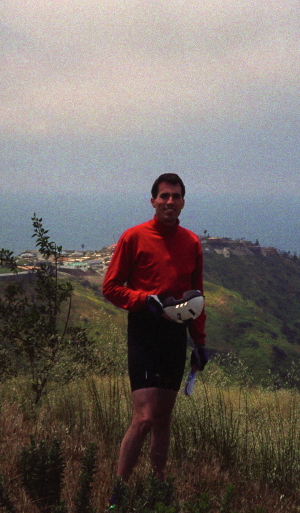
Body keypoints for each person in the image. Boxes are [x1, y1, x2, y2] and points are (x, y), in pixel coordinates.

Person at [102, 173, 208, 493]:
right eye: (164, 196)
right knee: (145, 418)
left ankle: (157, 488)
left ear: (183, 203)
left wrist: (200, 343)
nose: (170, 202)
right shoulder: (133, 237)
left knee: (163, 419)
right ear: (153, 201)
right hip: (144, 331)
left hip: (175, 334)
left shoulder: (191, 243)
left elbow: (197, 295)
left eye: (176, 197)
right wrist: (142, 300)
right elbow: (110, 287)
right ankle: (118, 492)